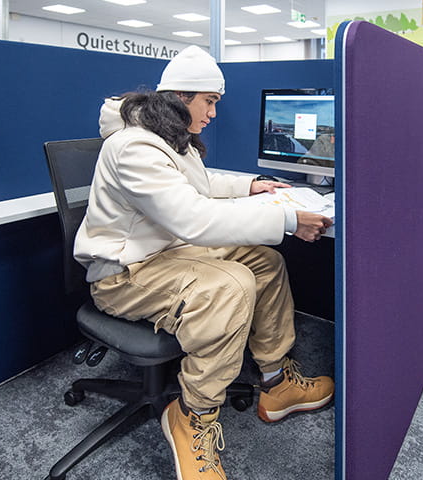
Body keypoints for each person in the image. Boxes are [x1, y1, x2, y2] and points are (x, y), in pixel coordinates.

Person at [73, 45, 335, 480]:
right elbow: (193, 218)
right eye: (209, 101)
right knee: (231, 284)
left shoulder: (169, 140)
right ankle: (191, 415)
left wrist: (251, 186)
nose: (213, 113)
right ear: (180, 97)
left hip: (167, 255)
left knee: (263, 262)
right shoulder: (132, 146)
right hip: (124, 275)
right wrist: (287, 218)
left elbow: (199, 183)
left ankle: (275, 380)